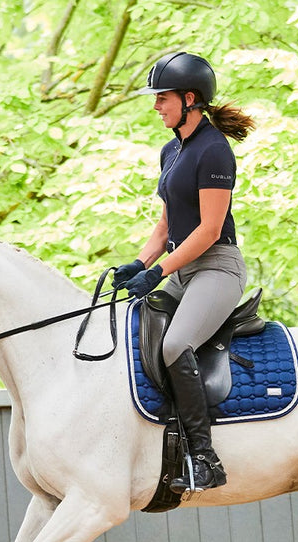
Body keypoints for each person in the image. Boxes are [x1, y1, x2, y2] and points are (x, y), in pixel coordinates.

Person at [114, 52, 255, 494]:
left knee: (176, 344)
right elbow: (166, 225)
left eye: (163, 98)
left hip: (216, 267)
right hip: (180, 268)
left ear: (189, 99)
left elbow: (209, 230)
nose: (156, 106)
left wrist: (158, 271)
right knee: (132, 326)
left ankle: (205, 458)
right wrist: (139, 263)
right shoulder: (171, 150)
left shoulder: (214, 151)